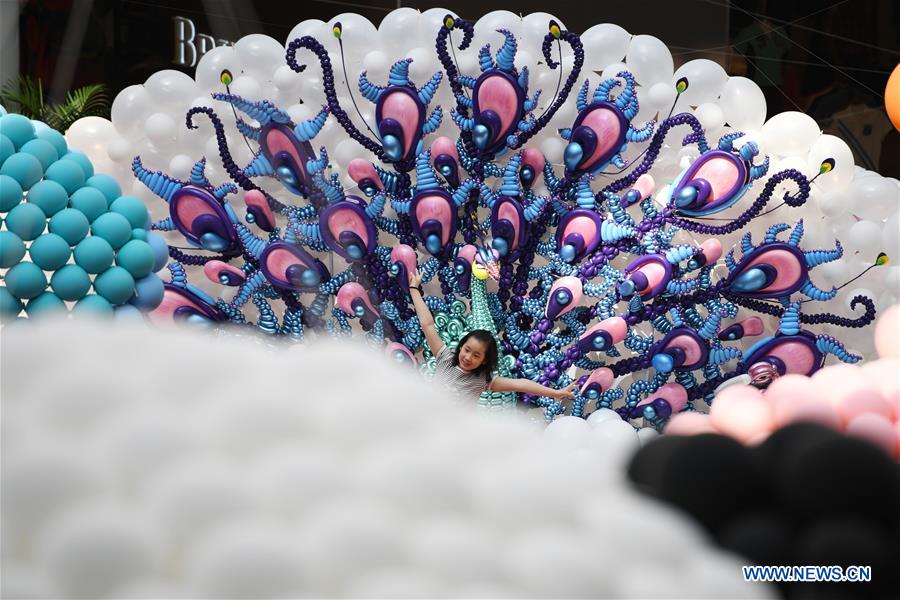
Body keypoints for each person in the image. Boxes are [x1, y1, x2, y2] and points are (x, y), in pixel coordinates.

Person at [408, 269, 578, 404]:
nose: (468, 357)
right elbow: (427, 324)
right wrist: (414, 289)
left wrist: (555, 393)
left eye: (476, 355)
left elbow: (520, 384)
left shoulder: (483, 380)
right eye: (467, 350)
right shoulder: (444, 357)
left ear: (484, 361)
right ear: (460, 347)